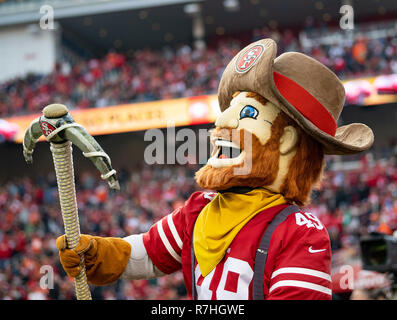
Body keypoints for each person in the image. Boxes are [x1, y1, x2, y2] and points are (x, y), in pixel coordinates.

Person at [55, 38, 374, 300]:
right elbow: (150, 254)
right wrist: (95, 254)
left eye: (246, 112)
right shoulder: (199, 208)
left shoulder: (301, 231)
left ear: (288, 141)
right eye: (229, 110)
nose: (221, 122)